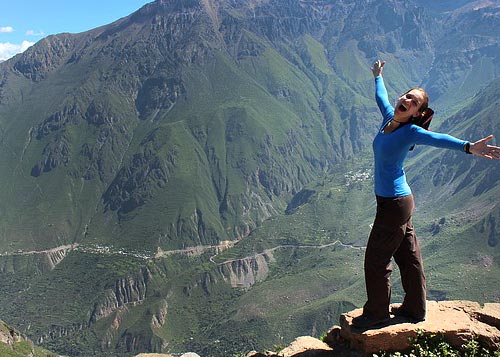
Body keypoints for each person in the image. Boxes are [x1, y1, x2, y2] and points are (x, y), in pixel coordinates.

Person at [352, 59, 500, 329]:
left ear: (417, 113)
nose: (407, 100)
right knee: (408, 256)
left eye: (414, 102)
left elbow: (440, 139)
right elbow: (381, 96)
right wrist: (377, 75)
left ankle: (377, 315)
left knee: (376, 260)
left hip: (394, 204)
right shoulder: (389, 118)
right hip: (398, 202)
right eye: (407, 95)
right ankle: (415, 309)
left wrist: (469, 147)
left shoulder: (411, 131)